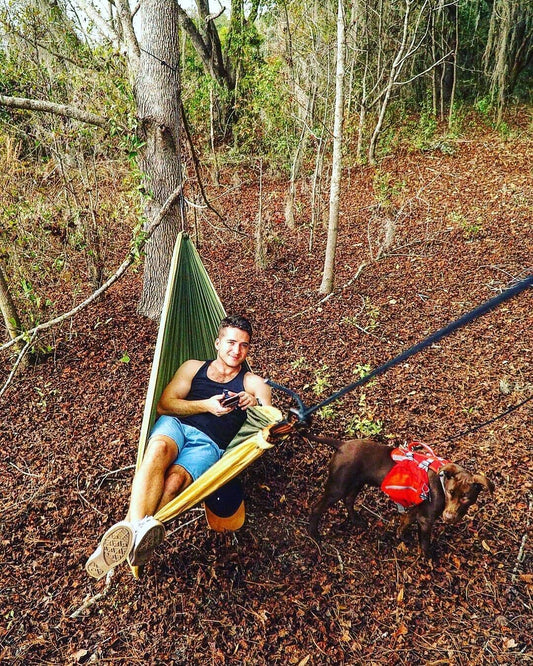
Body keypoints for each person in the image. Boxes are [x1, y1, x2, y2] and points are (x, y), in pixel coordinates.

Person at [86, 315, 272, 579]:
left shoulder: (251, 383)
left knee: (175, 482)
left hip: (210, 443)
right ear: (217, 343)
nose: (236, 350)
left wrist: (253, 403)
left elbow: (269, 414)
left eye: (244, 345)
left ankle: (127, 534)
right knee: (158, 450)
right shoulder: (192, 367)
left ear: (248, 349)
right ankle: (137, 535)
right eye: (231, 342)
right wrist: (206, 405)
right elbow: (164, 405)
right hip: (176, 425)